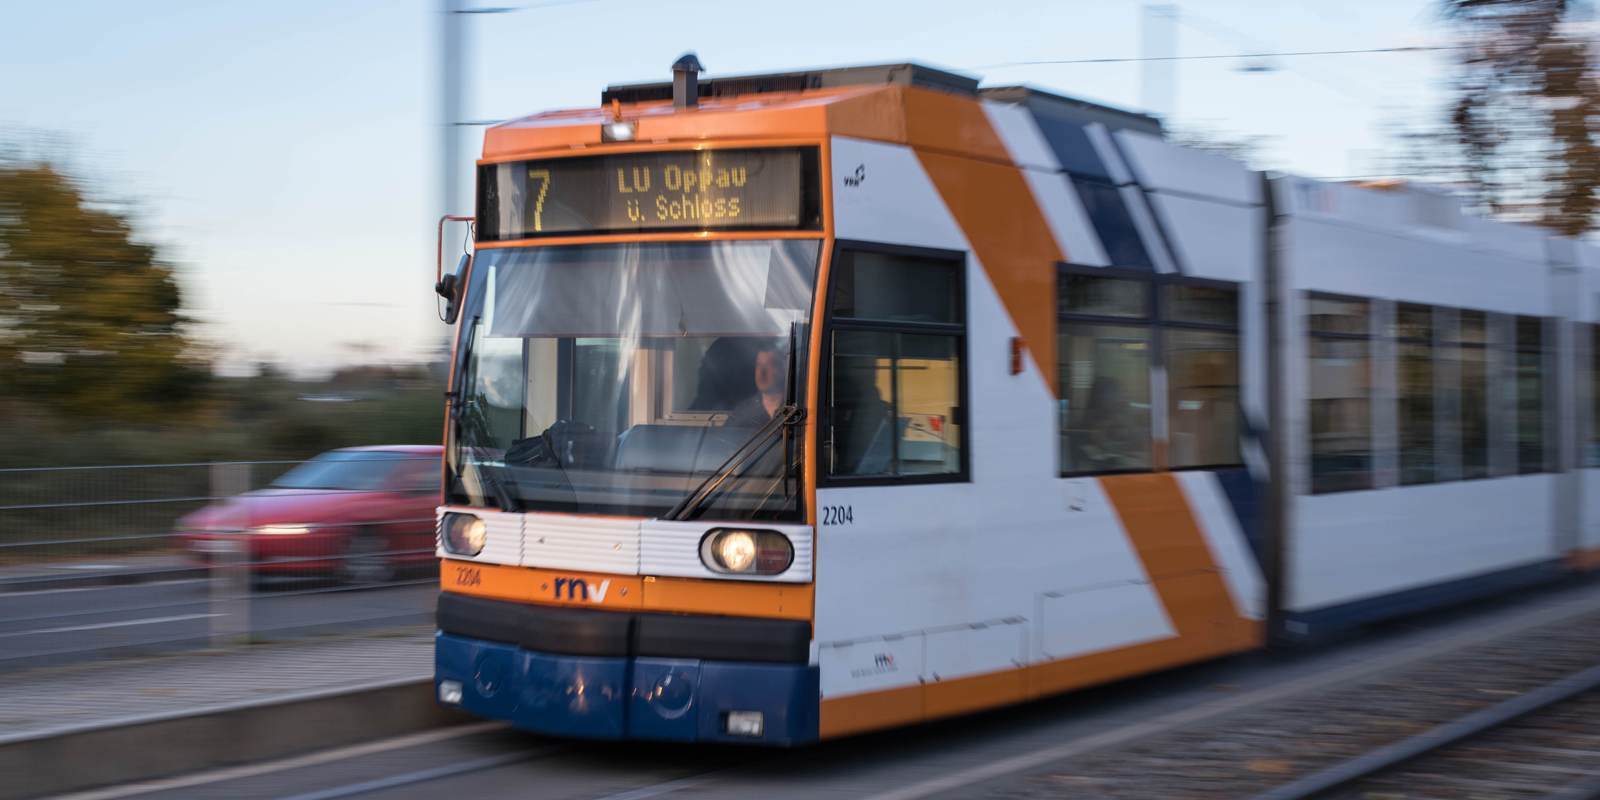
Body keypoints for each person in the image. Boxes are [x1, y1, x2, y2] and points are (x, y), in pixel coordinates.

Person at [726, 340, 786, 427]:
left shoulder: (797, 409)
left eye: (769, 365)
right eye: (759, 365)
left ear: (783, 370)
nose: (761, 372)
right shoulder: (743, 412)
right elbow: (724, 439)